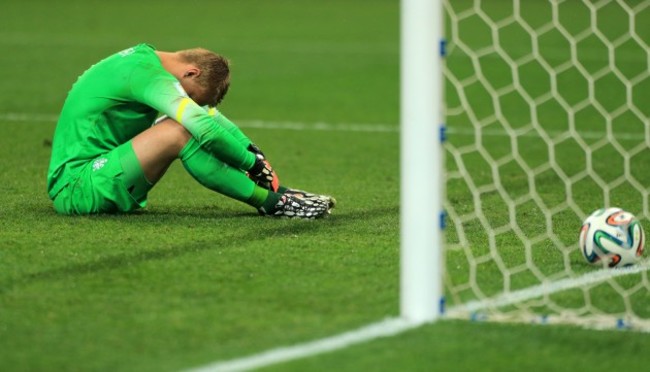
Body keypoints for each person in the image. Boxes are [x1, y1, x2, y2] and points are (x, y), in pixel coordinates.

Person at [46, 43, 335, 218]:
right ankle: (272, 204)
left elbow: (209, 116)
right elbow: (203, 128)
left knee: (185, 122)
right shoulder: (147, 75)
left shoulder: (146, 61)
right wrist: (251, 165)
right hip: (77, 187)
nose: (192, 104)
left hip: (101, 172)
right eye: (193, 97)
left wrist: (255, 156)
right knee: (180, 131)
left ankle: (276, 195)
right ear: (191, 72)